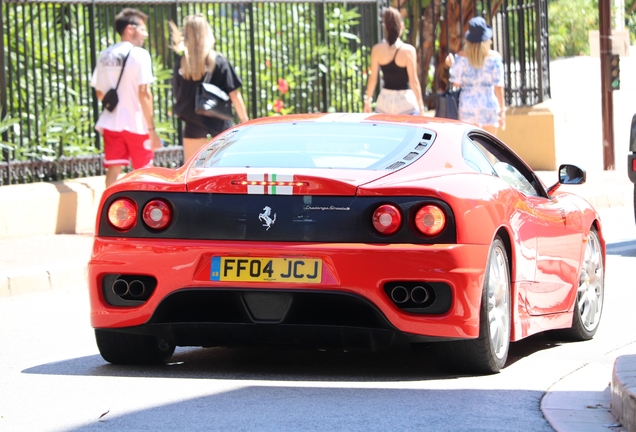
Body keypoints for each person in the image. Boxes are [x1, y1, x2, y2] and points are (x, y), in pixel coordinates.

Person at [91, 8, 162, 188]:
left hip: (111, 122)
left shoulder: (105, 54)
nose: (145, 34)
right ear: (130, 29)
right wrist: (151, 129)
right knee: (144, 171)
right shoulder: (140, 54)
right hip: (136, 123)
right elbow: (144, 92)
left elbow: (100, 92)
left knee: (113, 170)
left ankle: (109, 211)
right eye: (143, 29)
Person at [169, 15, 249, 162]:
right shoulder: (218, 61)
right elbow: (234, 94)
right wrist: (245, 121)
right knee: (225, 169)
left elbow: (177, 92)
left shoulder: (181, 63)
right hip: (219, 124)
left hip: (192, 123)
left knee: (193, 172)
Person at [445, 16, 506, 134]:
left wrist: (452, 65)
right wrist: (502, 110)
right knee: (489, 147)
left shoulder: (461, 58)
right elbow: (498, 85)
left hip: (467, 105)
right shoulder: (495, 58)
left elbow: (456, 83)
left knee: (469, 145)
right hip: (488, 104)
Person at [363, 7, 425, 116]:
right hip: (406, 103)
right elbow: (413, 81)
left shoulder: (377, 49)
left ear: (385, 27)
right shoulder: (408, 50)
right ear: (401, 26)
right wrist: (420, 105)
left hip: (384, 103)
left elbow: (373, 79)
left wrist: (367, 100)